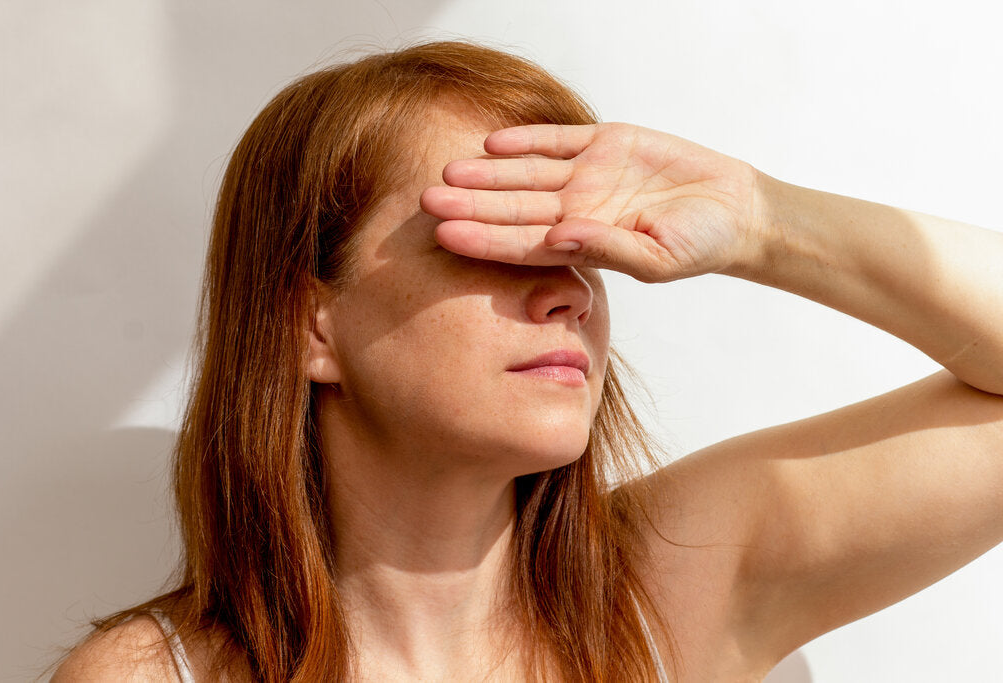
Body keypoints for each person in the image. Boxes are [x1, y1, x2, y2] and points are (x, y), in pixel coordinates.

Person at [51, 40, 1003, 682]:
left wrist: (764, 219)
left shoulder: (674, 586)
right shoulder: (153, 675)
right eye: (489, 243)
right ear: (312, 326)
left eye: (577, 248)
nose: (570, 292)